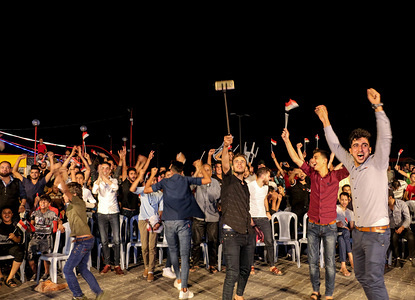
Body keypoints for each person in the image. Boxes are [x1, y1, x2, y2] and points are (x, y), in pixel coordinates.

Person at [316, 88, 392, 300]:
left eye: (365, 145)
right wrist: (325, 120)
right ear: (351, 150)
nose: (360, 149)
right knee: (362, 276)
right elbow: (334, 145)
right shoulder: (351, 163)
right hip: (358, 233)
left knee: (374, 279)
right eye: (356, 145)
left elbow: (385, 137)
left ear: (370, 149)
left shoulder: (378, 162)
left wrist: (378, 107)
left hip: (377, 235)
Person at [282, 128, 349, 300]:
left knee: (329, 264)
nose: (312, 161)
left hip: (329, 227)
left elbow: (351, 164)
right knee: (312, 263)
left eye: (316, 158)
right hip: (312, 226)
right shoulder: (312, 174)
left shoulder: (335, 176)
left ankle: (328, 294)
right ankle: (315, 290)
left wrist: (353, 150)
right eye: (312, 158)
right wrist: (287, 140)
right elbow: (296, 159)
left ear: (325, 161)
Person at [144, 159, 211, 299]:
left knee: (173, 250)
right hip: (183, 221)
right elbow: (207, 179)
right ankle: (184, 290)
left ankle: (179, 279)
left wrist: (152, 175)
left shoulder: (165, 182)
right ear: (181, 171)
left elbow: (146, 190)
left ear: (171, 171)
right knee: (185, 255)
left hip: (168, 221)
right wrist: (200, 166)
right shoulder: (186, 179)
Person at [53, 165, 107, 300]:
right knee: (82, 269)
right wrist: (58, 173)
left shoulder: (77, 202)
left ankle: (78, 296)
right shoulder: (72, 205)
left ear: (74, 195)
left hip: (84, 241)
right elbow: (61, 188)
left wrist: (57, 173)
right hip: (82, 240)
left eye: (66, 195)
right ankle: (99, 293)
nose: (63, 196)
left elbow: (65, 188)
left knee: (67, 270)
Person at [220, 135, 256, 300]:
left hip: (247, 233)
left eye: (242, 162)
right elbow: (225, 164)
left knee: (245, 269)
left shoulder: (245, 185)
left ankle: (239, 295)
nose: (239, 163)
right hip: (231, 233)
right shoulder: (229, 180)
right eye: (237, 161)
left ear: (247, 167)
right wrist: (226, 146)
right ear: (233, 166)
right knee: (232, 272)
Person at [130, 167, 163, 283]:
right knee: (144, 247)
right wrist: (141, 176)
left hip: (154, 221)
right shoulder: (143, 190)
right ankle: (146, 266)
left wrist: (158, 222)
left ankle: (151, 271)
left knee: (152, 247)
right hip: (143, 220)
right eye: (152, 180)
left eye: (155, 180)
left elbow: (161, 209)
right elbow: (132, 189)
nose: (154, 183)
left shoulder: (159, 194)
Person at [248, 167, 283, 276]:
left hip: (263, 217)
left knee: (269, 240)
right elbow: (244, 202)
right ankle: (250, 265)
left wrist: (267, 211)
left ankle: (272, 265)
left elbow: (264, 199)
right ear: (262, 176)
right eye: (268, 176)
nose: (269, 178)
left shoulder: (265, 188)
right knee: (251, 243)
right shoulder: (250, 186)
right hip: (251, 217)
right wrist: (248, 217)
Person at [92, 161, 124, 275]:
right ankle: (107, 264)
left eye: (107, 168)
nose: (105, 170)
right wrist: (99, 179)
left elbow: (115, 187)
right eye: (103, 168)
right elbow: (94, 191)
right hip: (102, 213)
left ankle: (117, 264)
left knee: (116, 240)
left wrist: (105, 179)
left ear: (110, 170)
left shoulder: (113, 180)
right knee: (104, 240)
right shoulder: (98, 181)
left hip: (114, 212)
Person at [190, 162, 221, 274]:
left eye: (208, 170)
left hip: (212, 217)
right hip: (198, 217)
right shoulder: (198, 181)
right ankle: (195, 263)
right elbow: (189, 187)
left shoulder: (216, 182)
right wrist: (198, 170)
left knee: (213, 241)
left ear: (211, 171)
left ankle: (212, 264)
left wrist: (208, 187)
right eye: (204, 170)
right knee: (196, 242)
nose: (206, 172)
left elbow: (216, 197)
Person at [27, 194, 61, 281]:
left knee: (45, 252)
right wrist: (28, 228)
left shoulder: (51, 213)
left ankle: (46, 273)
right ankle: (35, 273)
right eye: (41, 201)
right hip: (35, 237)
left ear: (49, 203)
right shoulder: (35, 213)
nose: (43, 203)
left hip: (46, 237)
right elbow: (31, 224)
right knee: (29, 253)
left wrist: (60, 225)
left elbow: (59, 219)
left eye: (45, 201)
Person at [387, 190, 415, 267]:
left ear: (390, 197)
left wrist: (402, 227)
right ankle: (397, 258)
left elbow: (407, 219)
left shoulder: (401, 204)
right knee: (393, 238)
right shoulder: (385, 207)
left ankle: (412, 257)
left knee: (411, 237)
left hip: (403, 226)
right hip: (393, 228)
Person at [0, 207, 24, 288]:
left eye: (9, 213)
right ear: (1, 215)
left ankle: (9, 279)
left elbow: (19, 240)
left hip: (11, 247)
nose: (7, 215)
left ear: (12, 214)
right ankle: (0, 276)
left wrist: (14, 238)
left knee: (20, 253)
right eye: (4, 213)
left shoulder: (16, 225)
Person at [336, 192, 354, 276]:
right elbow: (329, 222)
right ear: (339, 200)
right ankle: (350, 256)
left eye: (346, 200)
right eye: (342, 200)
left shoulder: (350, 212)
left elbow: (351, 227)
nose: (344, 202)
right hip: (335, 230)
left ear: (348, 200)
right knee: (344, 232)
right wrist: (336, 224)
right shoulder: (335, 209)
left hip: (344, 233)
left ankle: (343, 266)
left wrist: (350, 226)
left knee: (342, 239)